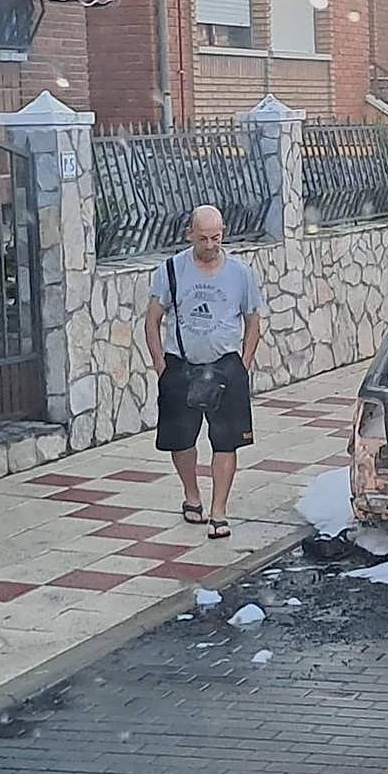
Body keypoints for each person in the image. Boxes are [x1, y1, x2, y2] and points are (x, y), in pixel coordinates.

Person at [144, 205, 264, 539]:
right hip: (181, 365)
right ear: (189, 235)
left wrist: (244, 362)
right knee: (180, 440)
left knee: (226, 442)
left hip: (225, 365)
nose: (211, 245)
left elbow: (253, 320)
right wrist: (159, 364)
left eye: (217, 237)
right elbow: (152, 319)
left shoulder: (240, 273)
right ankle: (192, 496)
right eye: (203, 238)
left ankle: (219, 511)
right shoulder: (171, 270)